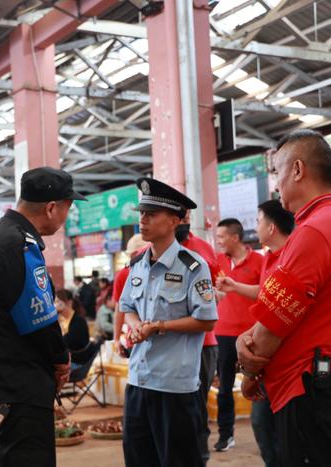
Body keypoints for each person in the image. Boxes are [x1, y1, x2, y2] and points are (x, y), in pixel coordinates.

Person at [236, 130, 331, 467]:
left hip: (308, 387)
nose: (275, 185)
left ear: (298, 170)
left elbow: (276, 322)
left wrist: (249, 367)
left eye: (277, 172)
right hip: (320, 384)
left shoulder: (315, 231)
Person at [0, 167, 83, 467]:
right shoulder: (20, 244)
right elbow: (39, 317)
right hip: (18, 389)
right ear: (52, 207)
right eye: (68, 207)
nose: (67, 216)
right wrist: (60, 358)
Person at [119, 177, 218, 467]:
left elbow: (206, 320)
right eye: (141, 213)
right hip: (139, 380)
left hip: (174, 386)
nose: (143, 220)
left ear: (175, 219)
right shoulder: (136, 264)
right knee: (139, 459)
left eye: (152, 214)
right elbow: (126, 307)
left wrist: (159, 327)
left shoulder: (194, 267)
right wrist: (136, 323)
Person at [216, 199, 294, 467]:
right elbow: (267, 302)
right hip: (247, 344)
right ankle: (227, 436)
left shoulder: (285, 260)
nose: (256, 225)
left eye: (259, 220)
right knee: (261, 422)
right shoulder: (270, 259)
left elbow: (276, 313)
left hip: (277, 356)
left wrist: (250, 369)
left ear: (271, 227)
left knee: (284, 428)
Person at [210, 218, 263, 452]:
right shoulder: (217, 262)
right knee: (224, 388)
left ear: (235, 237)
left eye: (221, 237)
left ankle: (268, 430)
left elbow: (266, 295)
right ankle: (225, 434)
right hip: (222, 334)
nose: (218, 241)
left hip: (253, 336)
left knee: (263, 385)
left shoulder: (260, 261)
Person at [175, 209, 221, 462]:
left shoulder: (204, 250)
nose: (183, 223)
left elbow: (212, 296)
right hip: (168, 343)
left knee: (197, 403)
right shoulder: (147, 254)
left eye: (185, 218)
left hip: (203, 343)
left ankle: (199, 454)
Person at [112, 234, 149, 357]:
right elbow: (120, 309)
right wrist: (116, 339)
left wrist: (116, 339)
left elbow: (119, 310)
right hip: (136, 338)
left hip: (137, 338)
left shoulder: (123, 273)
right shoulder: (124, 274)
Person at [55, 289, 96, 366]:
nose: (55, 304)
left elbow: (65, 342)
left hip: (78, 361)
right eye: (54, 302)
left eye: (58, 301)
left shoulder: (78, 321)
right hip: (67, 359)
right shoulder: (59, 319)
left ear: (69, 303)